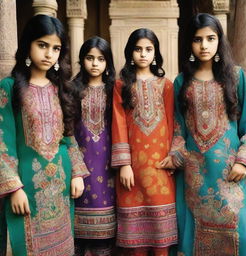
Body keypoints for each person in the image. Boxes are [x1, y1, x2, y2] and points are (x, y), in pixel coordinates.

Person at [0, 14, 89, 256]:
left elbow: (68, 136)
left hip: (61, 182)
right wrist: (14, 188)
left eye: (56, 48)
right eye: (42, 45)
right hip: (27, 185)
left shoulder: (61, 89)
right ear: (28, 44)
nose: (49, 54)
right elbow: (2, 141)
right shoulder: (9, 87)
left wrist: (77, 173)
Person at [169, 13, 246, 255]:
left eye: (210, 38)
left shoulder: (235, 76)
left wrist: (244, 161)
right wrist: (175, 155)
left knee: (243, 237)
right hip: (194, 175)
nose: (204, 45)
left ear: (219, 41)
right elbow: (178, 128)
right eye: (198, 40)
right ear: (190, 43)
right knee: (194, 237)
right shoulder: (181, 82)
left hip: (230, 174)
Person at [111, 28, 177, 256]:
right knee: (135, 245)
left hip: (161, 166)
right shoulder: (121, 85)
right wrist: (124, 164)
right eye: (138, 49)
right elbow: (118, 124)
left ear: (156, 53)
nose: (143, 54)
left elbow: (172, 122)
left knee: (162, 237)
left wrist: (173, 156)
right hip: (132, 170)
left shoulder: (166, 85)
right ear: (130, 52)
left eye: (149, 49)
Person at [72, 36, 116, 256]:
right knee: (77, 239)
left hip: (109, 166)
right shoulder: (71, 90)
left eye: (101, 58)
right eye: (90, 58)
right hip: (79, 166)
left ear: (108, 62)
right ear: (82, 60)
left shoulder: (115, 90)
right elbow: (66, 132)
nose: (95, 63)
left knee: (106, 240)